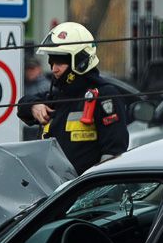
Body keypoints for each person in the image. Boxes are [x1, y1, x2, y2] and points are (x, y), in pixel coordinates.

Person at [18, 21, 129, 174]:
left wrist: (95, 189)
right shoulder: (58, 96)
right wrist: (34, 106)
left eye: (60, 63)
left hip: (87, 193)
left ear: (80, 61)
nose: (54, 69)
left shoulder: (104, 96)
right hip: (54, 189)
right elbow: (22, 106)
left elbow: (114, 152)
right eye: (51, 62)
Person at [21, 54, 51, 141]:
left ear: (39, 69)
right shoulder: (21, 84)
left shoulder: (47, 85)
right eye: (28, 69)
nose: (30, 71)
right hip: (25, 129)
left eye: (33, 68)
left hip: (41, 127)